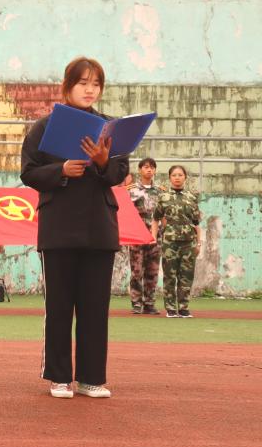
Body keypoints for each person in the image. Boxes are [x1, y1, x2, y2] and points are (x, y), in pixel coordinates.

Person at [20, 56, 128, 399]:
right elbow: (28, 172)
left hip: (99, 226)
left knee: (95, 308)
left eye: (96, 84)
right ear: (67, 86)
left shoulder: (110, 128)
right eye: (83, 83)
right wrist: (61, 170)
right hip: (59, 227)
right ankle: (60, 377)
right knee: (60, 307)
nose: (89, 90)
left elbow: (119, 173)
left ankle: (91, 378)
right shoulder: (44, 127)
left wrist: (103, 161)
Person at [153, 165, 201, 318]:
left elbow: (196, 223)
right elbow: (155, 219)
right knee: (170, 276)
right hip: (170, 243)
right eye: (174, 175)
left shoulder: (192, 197)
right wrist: (154, 238)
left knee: (186, 275)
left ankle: (184, 307)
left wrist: (199, 243)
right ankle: (171, 309)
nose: (177, 177)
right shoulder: (163, 197)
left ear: (185, 177)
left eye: (180, 175)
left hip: (189, 242)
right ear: (169, 178)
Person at [128, 157, 161, 315]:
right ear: (140, 170)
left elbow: (163, 214)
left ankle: (149, 303)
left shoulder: (160, 191)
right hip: (137, 237)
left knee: (152, 271)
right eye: (146, 167)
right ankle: (136, 302)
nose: (149, 170)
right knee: (137, 271)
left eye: (152, 167)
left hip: (155, 236)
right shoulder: (131, 190)